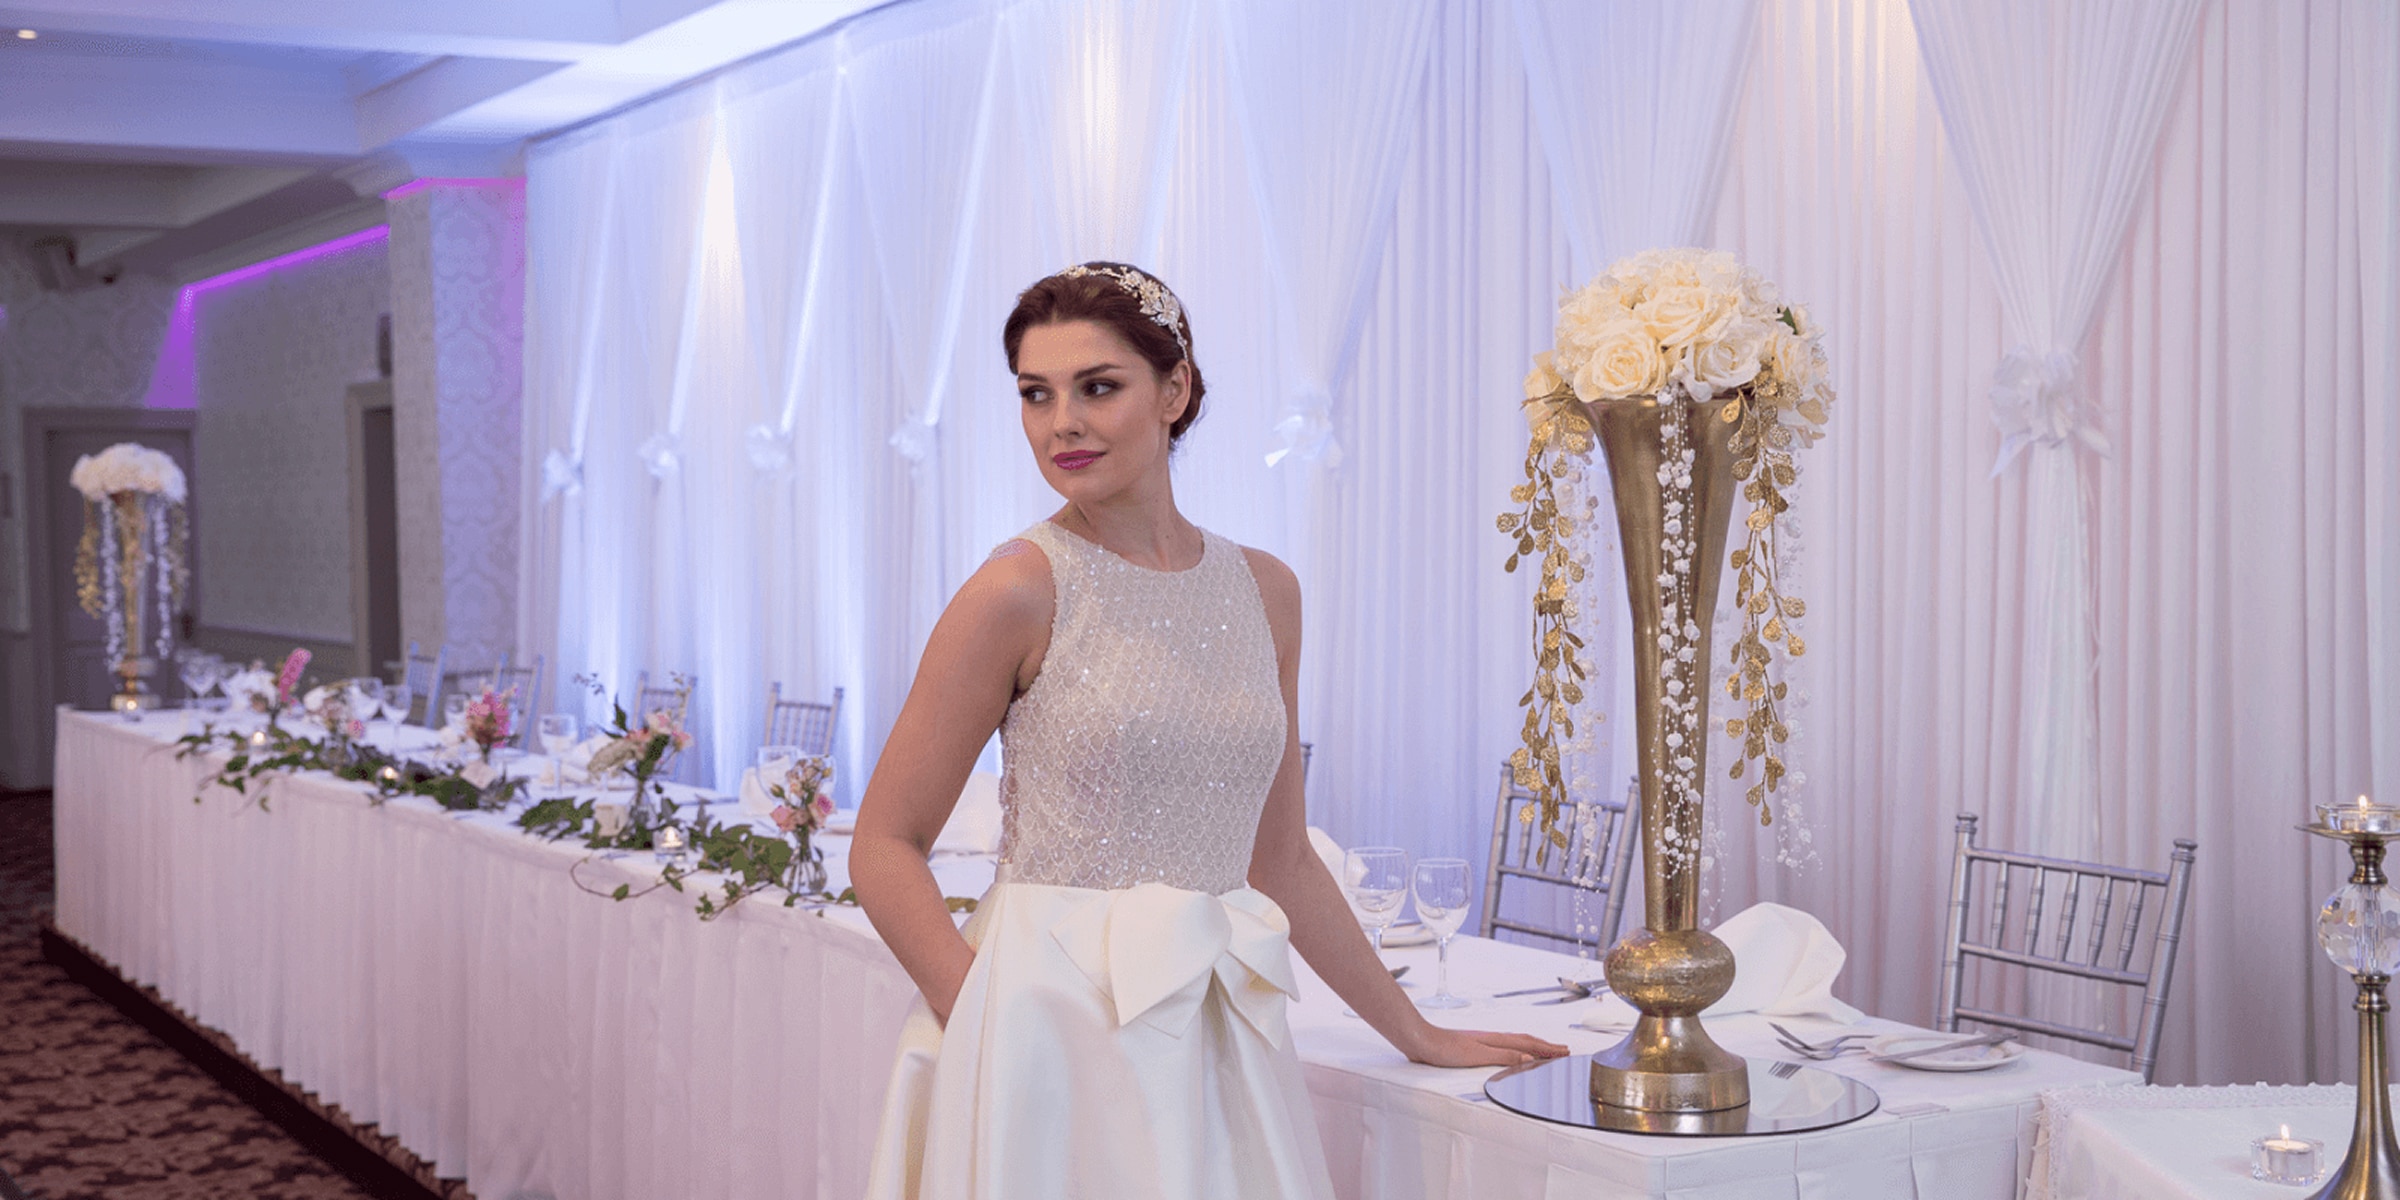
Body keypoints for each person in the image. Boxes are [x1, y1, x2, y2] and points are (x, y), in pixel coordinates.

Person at [852, 262, 1565, 1199]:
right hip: (1042, 1029)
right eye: (1036, 394)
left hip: (1213, 1029)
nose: (1060, 421)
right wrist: (982, 1013)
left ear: (1174, 389)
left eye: (1097, 387)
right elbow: (883, 844)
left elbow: (1282, 860)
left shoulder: (1267, 591)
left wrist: (1415, 1031)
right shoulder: (1017, 588)